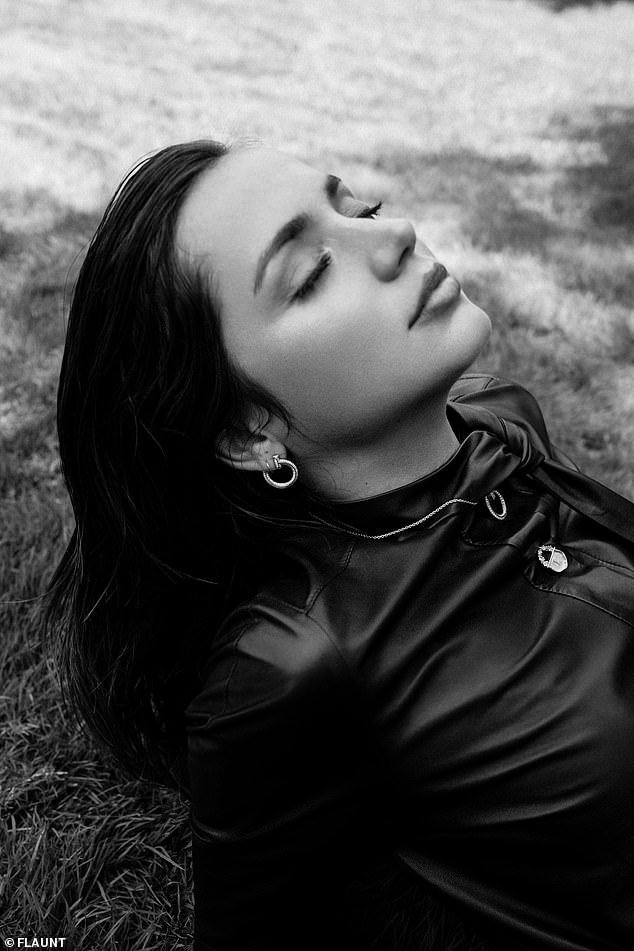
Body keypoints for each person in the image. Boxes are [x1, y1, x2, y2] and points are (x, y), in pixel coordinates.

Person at [43, 137, 634, 951]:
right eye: (312, 273)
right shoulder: (288, 659)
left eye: (361, 208)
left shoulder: (503, 417)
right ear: (248, 431)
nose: (393, 237)